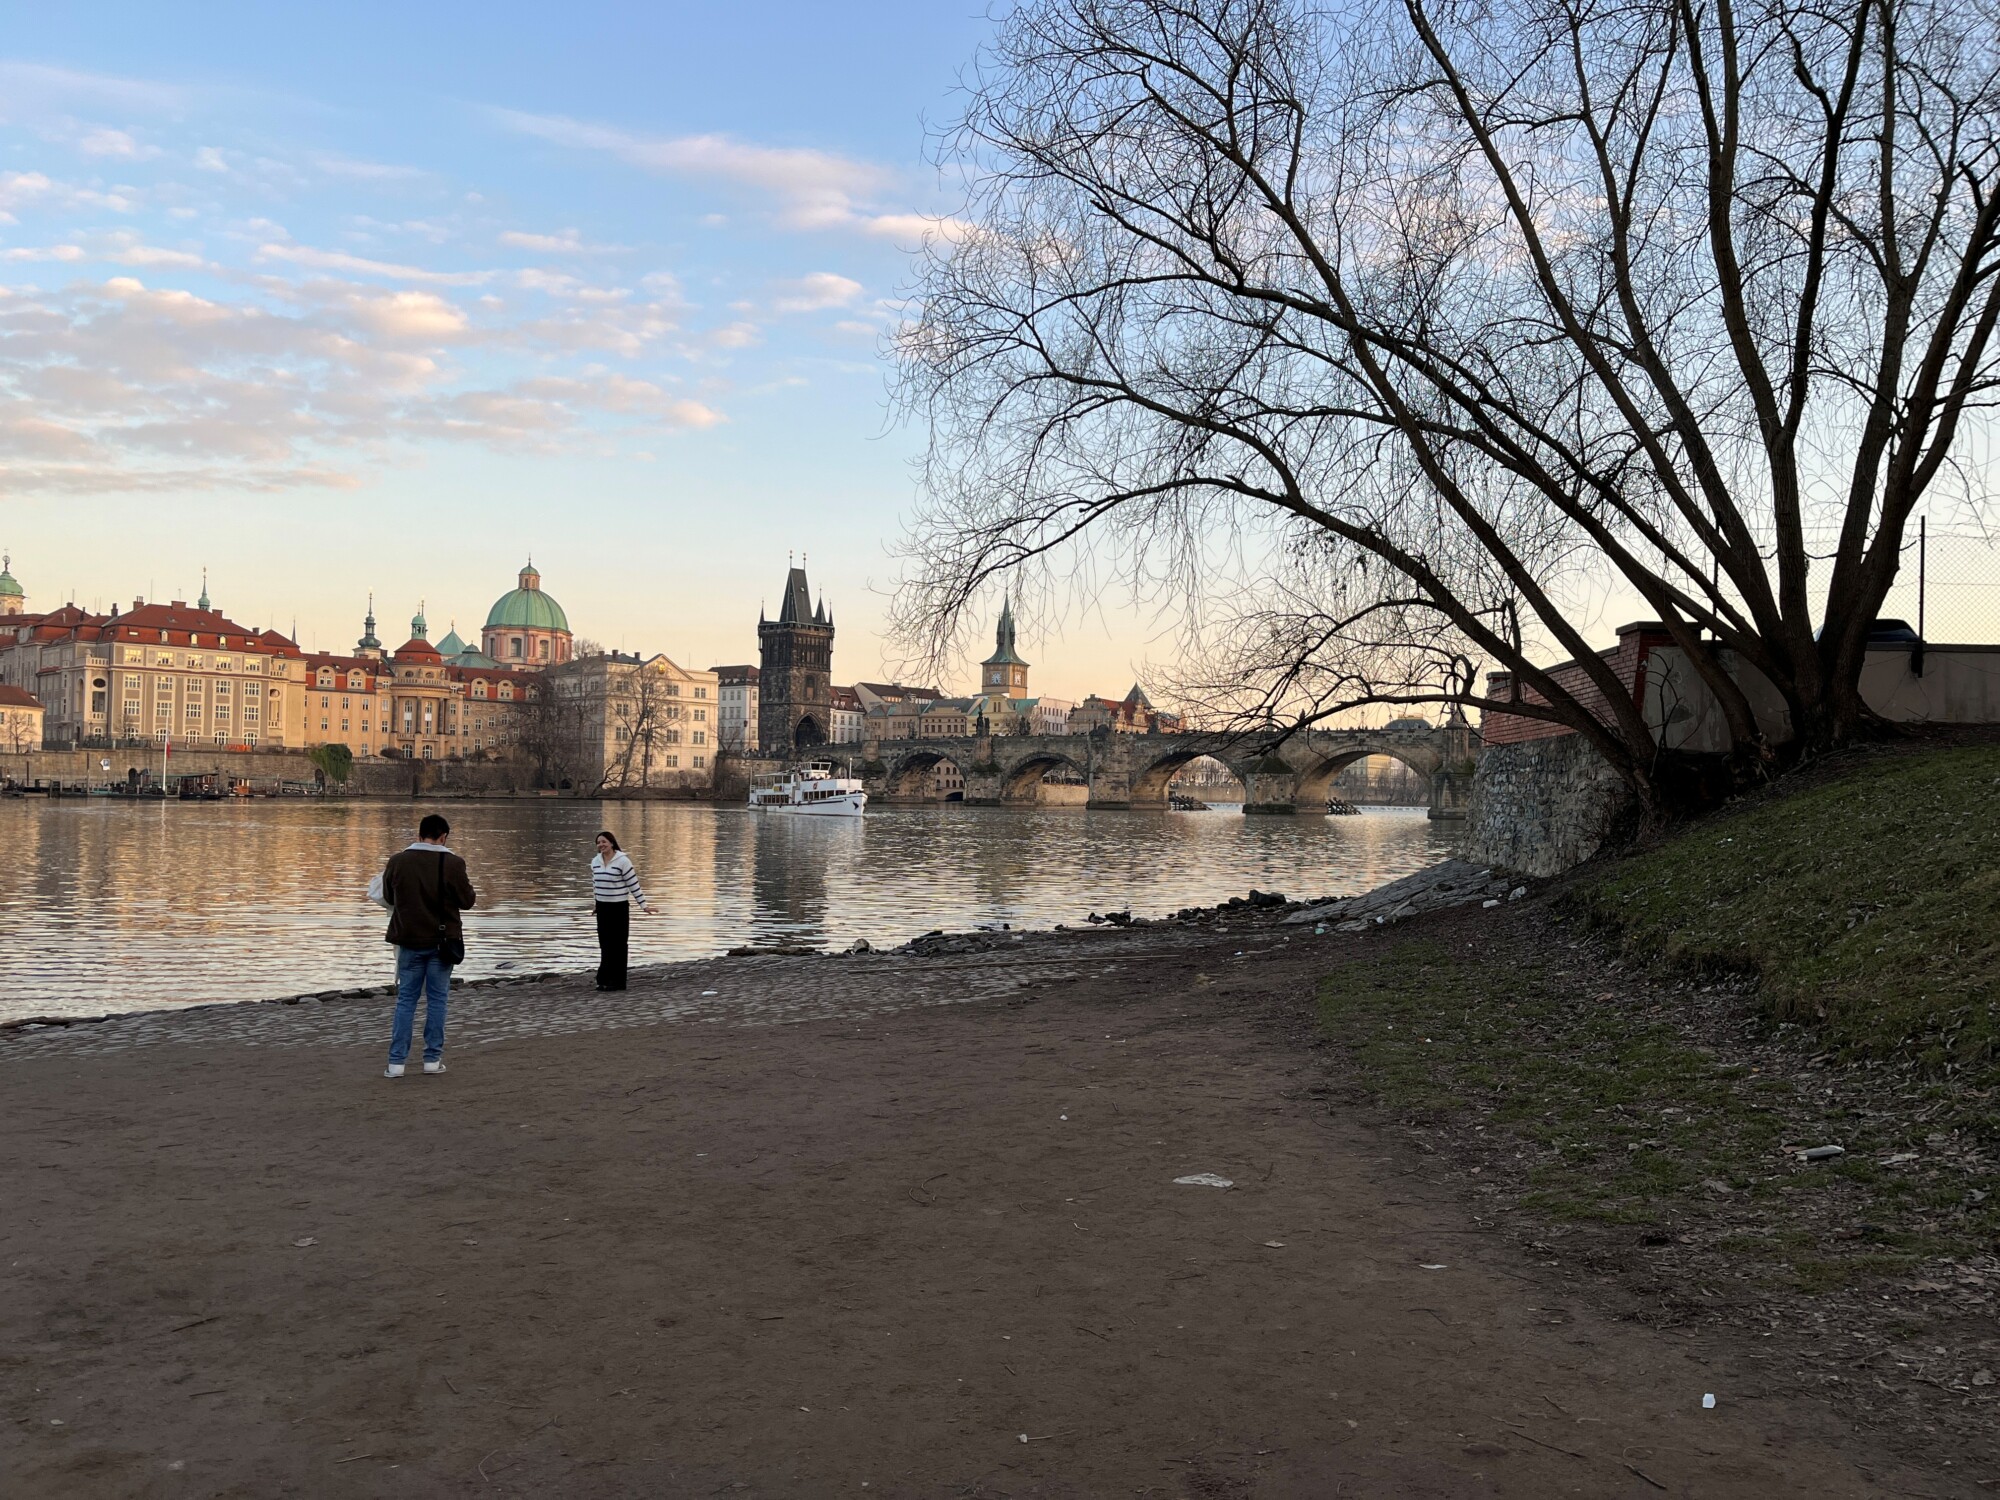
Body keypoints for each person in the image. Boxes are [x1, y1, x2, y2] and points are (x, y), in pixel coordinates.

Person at [368, 812, 477, 1078]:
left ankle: (396, 1063)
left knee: (406, 1000)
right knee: (437, 1000)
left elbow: (389, 897)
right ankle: (432, 1060)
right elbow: (467, 901)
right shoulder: (453, 863)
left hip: (408, 939)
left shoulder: (398, 861)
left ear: (419, 835)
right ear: (444, 837)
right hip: (443, 942)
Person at [590, 830, 652, 991]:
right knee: (605, 943)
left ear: (611, 843)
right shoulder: (595, 861)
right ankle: (603, 979)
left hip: (618, 907)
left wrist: (643, 905)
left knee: (618, 944)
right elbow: (596, 885)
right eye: (598, 842)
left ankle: (617, 982)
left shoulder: (623, 861)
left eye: (604, 842)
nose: (601, 845)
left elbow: (633, 884)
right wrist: (596, 904)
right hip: (602, 907)